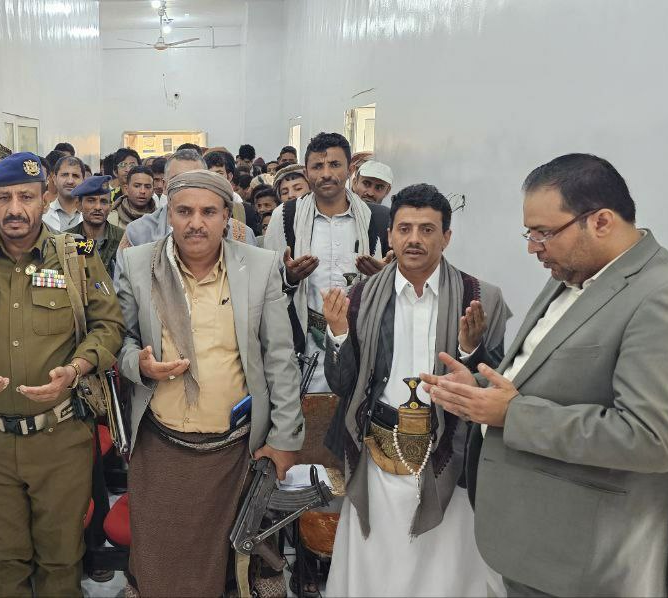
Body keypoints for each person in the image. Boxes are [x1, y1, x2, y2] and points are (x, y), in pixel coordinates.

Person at [422, 154, 668, 597]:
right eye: (529, 233)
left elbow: (652, 438)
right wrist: (481, 391)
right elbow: (546, 380)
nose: (533, 247)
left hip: (584, 564)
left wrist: (512, 414)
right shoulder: (571, 275)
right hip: (526, 542)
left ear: (601, 221)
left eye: (544, 233)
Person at [0, 152, 123, 597]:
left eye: (26, 197)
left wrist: (75, 369)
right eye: (4, 198)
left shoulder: (75, 258)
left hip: (61, 439)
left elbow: (109, 327)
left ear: (45, 197)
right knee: (3, 558)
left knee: (61, 557)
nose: (15, 209)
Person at [114, 170, 303, 596]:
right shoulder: (138, 263)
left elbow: (280, 358)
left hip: (234, 450)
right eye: (184, 211)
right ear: (169, 215)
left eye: (208, 212)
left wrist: (285, 439)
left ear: (226, 217)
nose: (195, 222)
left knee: (229, 567)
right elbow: (121, 338)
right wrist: (137, 363)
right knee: (158, 562)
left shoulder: (259, 266)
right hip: (160, 446)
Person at [321, 184, 511, 597]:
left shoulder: (481, 298)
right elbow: (342, 384)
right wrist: (337, 335)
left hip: (448, 453)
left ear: (447, 237)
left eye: (427, 229)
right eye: (404, 228)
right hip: (378, 453)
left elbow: (498, 383)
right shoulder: (360, 298)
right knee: (377, 563)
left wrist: (470, 350)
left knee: (446, 567)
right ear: (389, 235)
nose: (414, 239)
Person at [261, 132, 391, 416]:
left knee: (355, 416)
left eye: (334, 164)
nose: (326, 174)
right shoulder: (286, 217)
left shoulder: (377, 218)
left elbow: (397, 286)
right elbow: (266, 285)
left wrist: (383, 277)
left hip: (361, 342)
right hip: (304, 344)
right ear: (307, 172)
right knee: (307, 417)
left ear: (350, 169)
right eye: (317, 166)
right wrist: (290, 278)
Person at [117, 149, 256, 255]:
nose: (187, 189)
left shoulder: (240, 234)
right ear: (164, 186)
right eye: (178, 181)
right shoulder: (137, 233)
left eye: (196, 180)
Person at [66, 175, 125, 276]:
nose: (98, 207)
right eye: (91, 200)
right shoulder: (67, 239)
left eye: (103, 202)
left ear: (110, 207)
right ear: (79, 205)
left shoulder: (122, 238)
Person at [43, 155, 87, 232]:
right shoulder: (43, 215)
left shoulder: (91, 215)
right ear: (54, 179)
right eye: (65, 175)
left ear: (83, 181)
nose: (70, 181)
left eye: (75, 176)